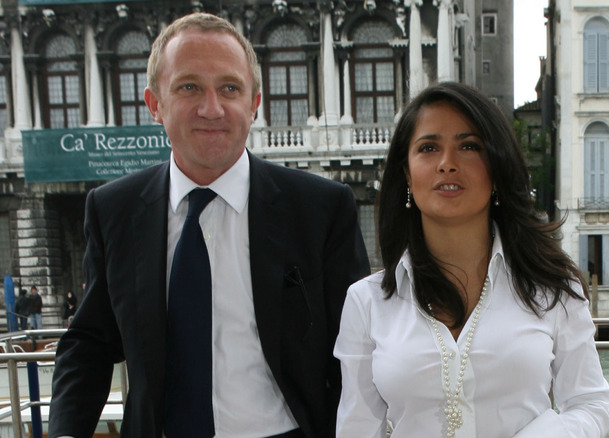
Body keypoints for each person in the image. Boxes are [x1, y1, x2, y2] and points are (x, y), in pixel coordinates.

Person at [49, 12, 369, 438]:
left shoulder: (321, 208)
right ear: (154, 104)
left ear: (254, 104)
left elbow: (353, 351)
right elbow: (88, 342)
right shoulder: (114, 210)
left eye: (229, 88)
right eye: (189, 87)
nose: (211, 108)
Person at [334, 82, 609, 437]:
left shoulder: (551, 286)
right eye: (429, 148)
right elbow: (357, 429)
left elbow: (591, 405)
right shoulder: (367, 302)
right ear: (407, 173)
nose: (447, 164)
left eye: (468, 146)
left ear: (495, 170)